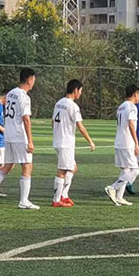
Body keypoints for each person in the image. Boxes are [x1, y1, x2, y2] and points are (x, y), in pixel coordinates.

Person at [0, 68, 39, 210]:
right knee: (27, 166)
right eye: (34, 80)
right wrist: (30, 141)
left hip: (9, 134)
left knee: (8, 165)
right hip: (19, 136)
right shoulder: (24, 97)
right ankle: (24, 201)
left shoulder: (11, 93)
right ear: (30, 80)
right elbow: (26, 119)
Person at [51, 79, 95, 207]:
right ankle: (56, 200)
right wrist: (90, 141)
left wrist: (57, 133)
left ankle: (64, 195)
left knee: (73, 168)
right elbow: (80, 126)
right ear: (75, 90)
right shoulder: (73, 106)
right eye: (80, 91)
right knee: (62, 171)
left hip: (59, 140)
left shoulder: (59, 103)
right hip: (65, 142)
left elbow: (52, 122)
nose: (80, 93)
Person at [105, 85, 139, 206]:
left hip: (119, 142)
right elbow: (131, 124)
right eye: (138, 94)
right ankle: (112, 187)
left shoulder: (121, 106)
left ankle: (119, 197)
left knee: (125, 170)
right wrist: (136, 143)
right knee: (135, 170)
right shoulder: (132, 107)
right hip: (127, 143)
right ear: (135, 94)